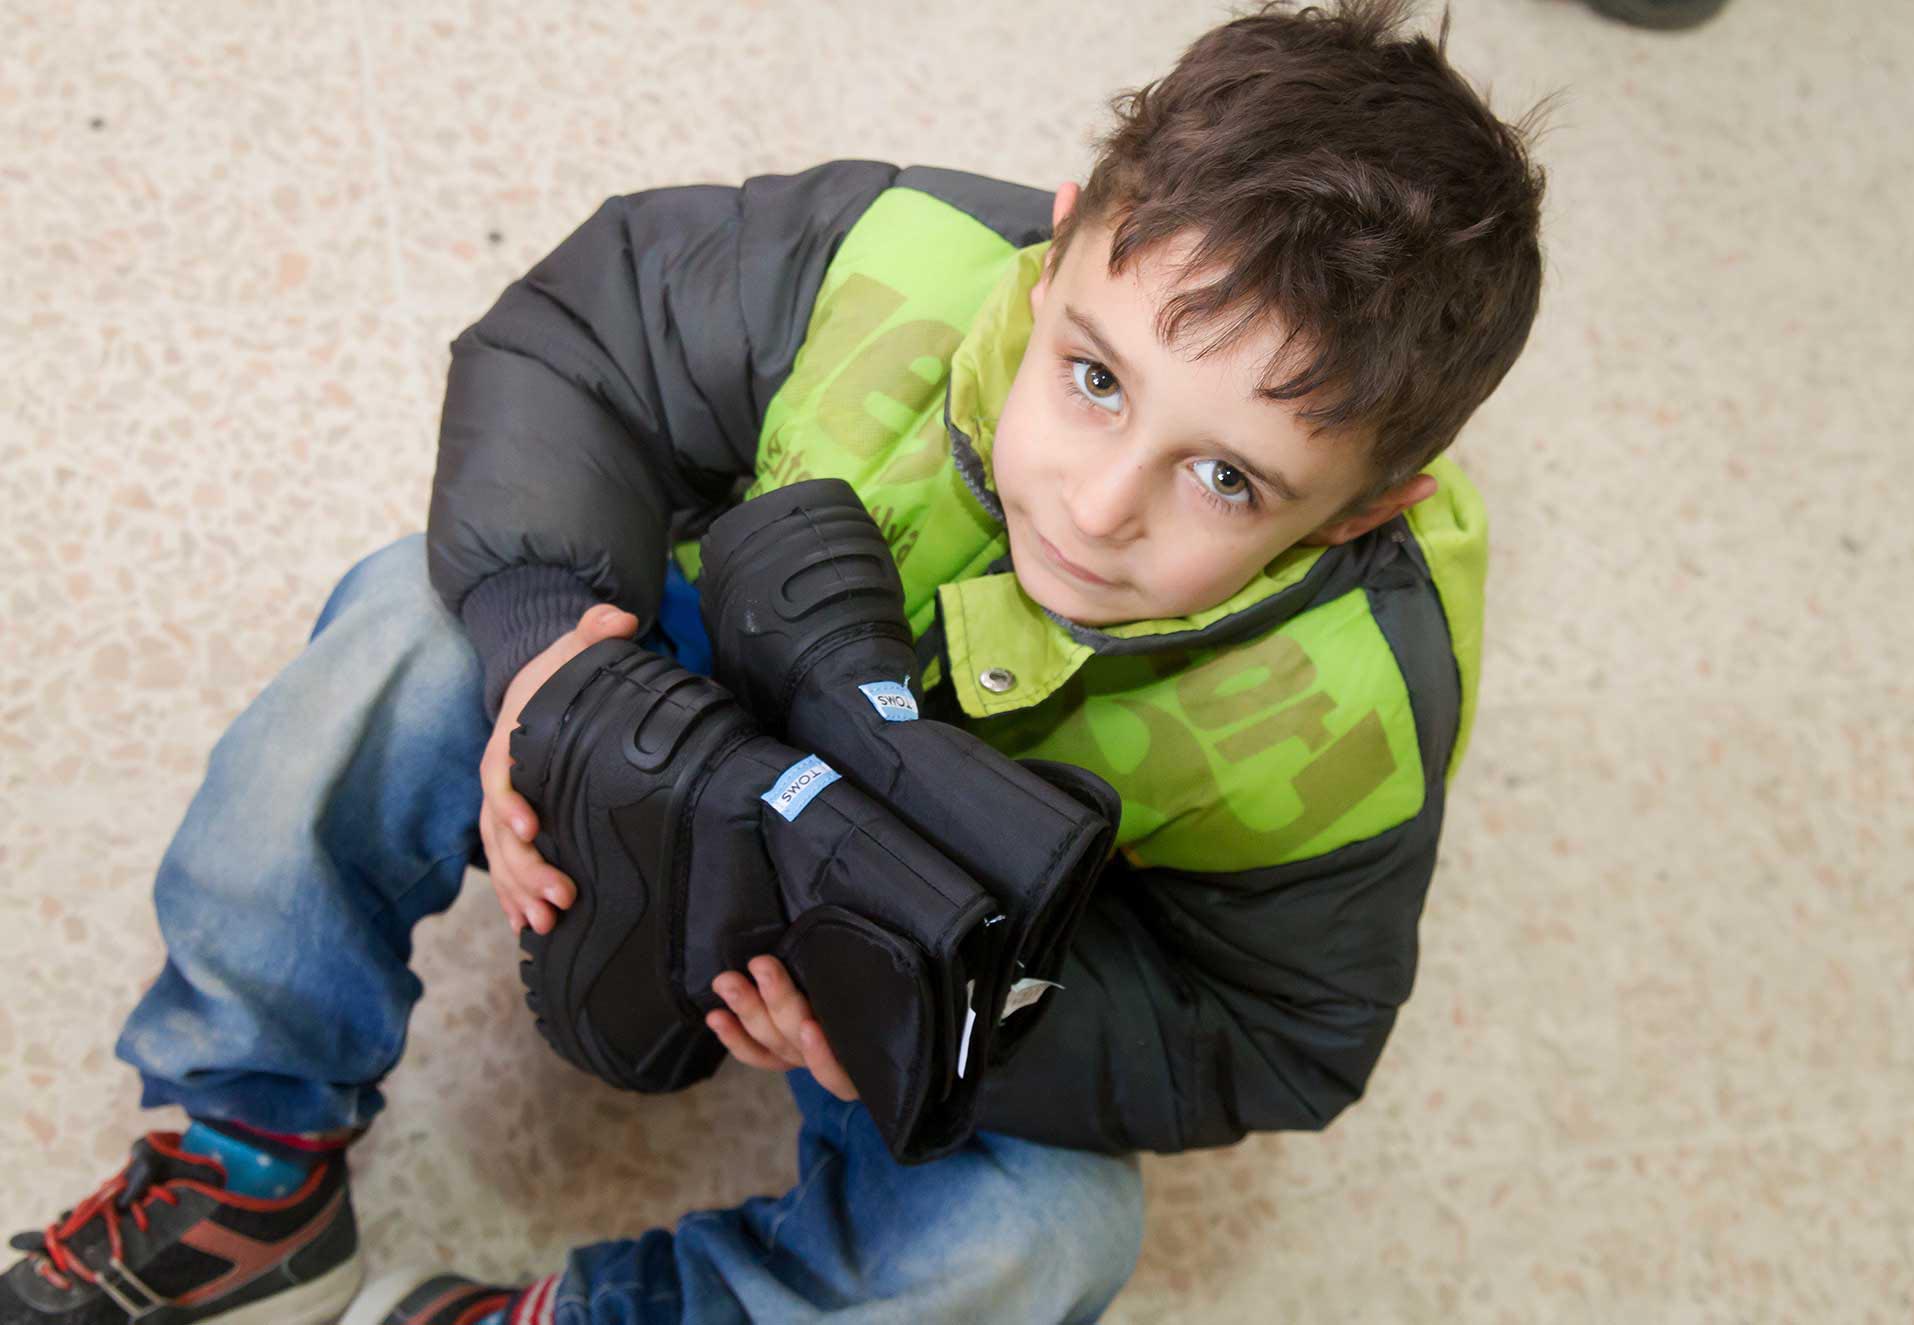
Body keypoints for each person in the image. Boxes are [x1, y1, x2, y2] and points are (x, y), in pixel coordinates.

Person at [0, 2, 1548, 1322]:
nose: (1099, 501)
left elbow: (1276, 1030)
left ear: (1371, 512)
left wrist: (952, 1018)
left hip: (954, 929)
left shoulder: (1354, 712)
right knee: (404, 627)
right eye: (1093, 377)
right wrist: (544, 650)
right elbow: (574, 346)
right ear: (1066, 235)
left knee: (1050, 1240)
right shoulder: (889, 262)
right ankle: (244, 1168)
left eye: (1228, 480)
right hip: (687, 677)